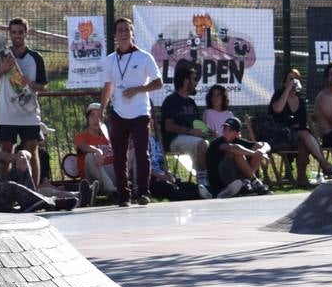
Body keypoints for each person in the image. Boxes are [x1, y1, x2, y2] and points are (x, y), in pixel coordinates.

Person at [99, 16, 163, 206]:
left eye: (127, 30)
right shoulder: (110, 60)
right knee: (119, 155)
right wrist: (102, 108)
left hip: (141, 112)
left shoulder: (144, 56)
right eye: (120, 30)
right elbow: (108, 86)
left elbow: (158, 82)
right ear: (115, 35)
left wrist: (138, 89)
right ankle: (123, 195)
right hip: (119, 113)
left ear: (132, 33)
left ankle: (143, 192)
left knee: (143, 153)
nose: (124, 33)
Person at [0, 17, 48, 187]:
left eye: (20, 32)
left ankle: (34, 191)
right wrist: (2, 70)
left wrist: (30, 84)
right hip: (6, 113)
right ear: (10, 34)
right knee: (6, 153)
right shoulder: (1, 56)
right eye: (13, 32)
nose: (17, 35)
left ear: (26, 33)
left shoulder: (36, 57)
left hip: (29, 112)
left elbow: (43, 86)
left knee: (31, 152)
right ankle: (5, 191)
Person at [0, 124, 75, 213]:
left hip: (0, 194)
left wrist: (22, 154)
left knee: (21, 165)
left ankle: (33, 202)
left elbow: (27, 155)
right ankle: (52, 202)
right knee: (9, 185)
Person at [266, 67, 332, 186]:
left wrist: (313, 137)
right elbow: (277, 109)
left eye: (296, 79)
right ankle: (324, 163)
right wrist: (287, 89)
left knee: (303, 142)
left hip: (296, 137)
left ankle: (301, 178)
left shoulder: (300, 101)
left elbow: (303, 124)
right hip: (278, 136)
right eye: (291, 79)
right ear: (284, 82)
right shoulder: (279, 94)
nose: (294, 82)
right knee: (304, 134)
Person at [160, 63, 211, 192]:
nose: (196, 83)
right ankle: (203, 181)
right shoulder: (171, 100)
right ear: (185, 80)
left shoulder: (191, 102)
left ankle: (211, 181)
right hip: (174, 140)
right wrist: (191, 131)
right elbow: (168, 126)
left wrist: (209, 132)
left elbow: (197, 125)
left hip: (191, 139)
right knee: (201, 144)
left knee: (211, 144)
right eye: (194, 79)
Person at [206, 116, 271, 197]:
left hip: (235, 178)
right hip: (218, 181)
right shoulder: (218, 142)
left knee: (257, 147)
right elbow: (232, 148)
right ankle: (254, 182)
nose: (226, 132)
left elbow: (265, 144)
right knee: (236, 152)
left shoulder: (237, 141)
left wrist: (261, 151)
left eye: (230, 130)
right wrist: (255, 153)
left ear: (237, 134)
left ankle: (247, 182)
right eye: (225, 129)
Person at [73, 101, 117, 202]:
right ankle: (111, 189)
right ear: (87, 118)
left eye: (99, 116)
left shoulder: (109, 137)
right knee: (89, 156)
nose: (96, 120)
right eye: (92, 116)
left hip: (110, 173)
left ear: (104, 119)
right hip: (92, 180)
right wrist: (97, 150)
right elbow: (82, 146)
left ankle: (138, 191)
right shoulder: (80, 136)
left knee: (133, 153)